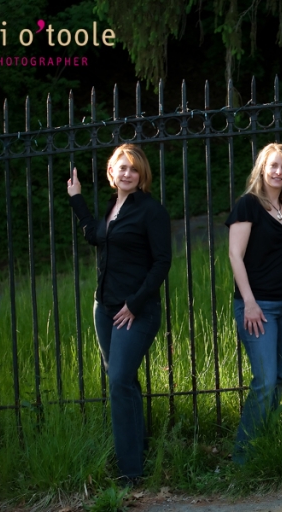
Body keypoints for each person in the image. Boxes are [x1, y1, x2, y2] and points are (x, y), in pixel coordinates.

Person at [67, 144, 172, 482]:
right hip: (105, 308)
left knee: (118, 381)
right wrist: (77, 199)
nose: (126, 173)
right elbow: (96, 237)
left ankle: (130, 474)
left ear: (142, 175)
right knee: (124, 382)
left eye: (133, 169)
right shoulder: (113, 206)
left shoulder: (151, 210)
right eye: (121, 168)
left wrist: (135, 303)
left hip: (137, 311)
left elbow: (161, 263)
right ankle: (138, 450)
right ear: (111, 173)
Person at [226, 143, 282, 464]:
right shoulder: (247, 206)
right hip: (258, 306)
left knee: (276, 379)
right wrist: (249, 302)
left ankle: (264, 449)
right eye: (274, 165)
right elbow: (235, 256)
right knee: (264, 381)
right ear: (262, 169)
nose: (279, 172)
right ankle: (242, 459)